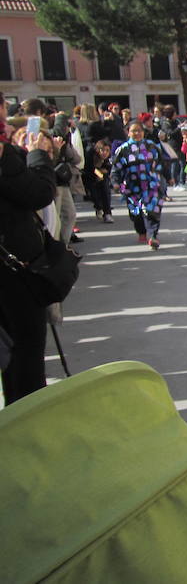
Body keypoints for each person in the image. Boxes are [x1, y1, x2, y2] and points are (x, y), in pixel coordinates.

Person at [0, 93, 58, 406]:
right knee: (25, 350)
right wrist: (36, 156)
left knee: (14, 351)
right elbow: (38, 193)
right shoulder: (3, 153)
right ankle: (27, 417)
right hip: (14, 269)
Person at [111, 121, 165, 250]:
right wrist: (116, 183)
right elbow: (116, 169)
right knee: (136, 213)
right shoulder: (123, 149)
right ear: (128, 133)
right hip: (131, 187)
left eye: (139, 130)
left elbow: (162, 163)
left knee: (152, 210)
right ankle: (141, 231)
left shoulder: (152, 146)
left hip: (152, 185)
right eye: (133, 131)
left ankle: (153, 236)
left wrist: (168, 178)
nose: (137, 133)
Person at [84, 139, 114, 223]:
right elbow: (89, 168)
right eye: (102, 150)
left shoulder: (109, 158)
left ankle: (107, 213)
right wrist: (99, 173)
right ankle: (98, 207)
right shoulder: (90, 154)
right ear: (98, 150)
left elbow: (108, 169)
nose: (105, 153)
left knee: (106, 190)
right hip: (90, 177)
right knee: (94, 195)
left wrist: (102, 174)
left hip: (102, 176)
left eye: (107, 150)